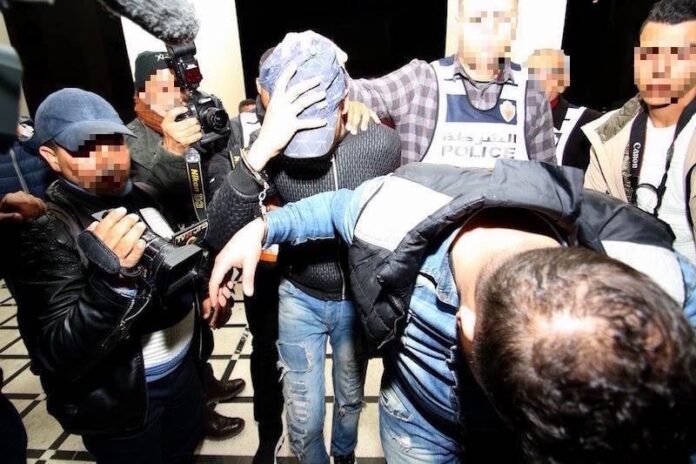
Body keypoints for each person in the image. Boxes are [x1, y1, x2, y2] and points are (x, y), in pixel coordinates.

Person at [210, 159, 696, 463]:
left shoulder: (661, 278)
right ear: (465, 326)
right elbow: (338, 207)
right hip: (420, 425)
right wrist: (264, 228)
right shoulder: (391, 213)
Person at [206, 33, 402, 464]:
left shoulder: (381, 144)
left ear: (343, 102)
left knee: (350, 401)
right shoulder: (271, 148)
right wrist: (261, 152)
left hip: (354, 301)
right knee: (303, 416)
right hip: (298, 297)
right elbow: (221, 234)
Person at [9, 88, 209, 463]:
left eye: (115, 143)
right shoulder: (47, 230)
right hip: (127, 403)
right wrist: (111, 281)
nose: (108, 159)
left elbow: (174, 263)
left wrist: (202, 291)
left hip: (184, 373)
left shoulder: (144, 194)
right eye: (86, 148)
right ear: (51, 157)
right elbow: (56, 352)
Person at [128, 50, 245, 438]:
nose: (175, 95)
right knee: (178, 335)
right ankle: (198, 410)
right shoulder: (129, 142)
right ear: (141, 95)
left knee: (201, 330)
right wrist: (171, 150)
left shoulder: (194, 125)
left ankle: (204, 379)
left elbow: (210, 185)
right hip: (162, 262)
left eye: (178, 87)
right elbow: (141, 199)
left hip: (197, 247)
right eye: (163, 88)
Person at [345, 0, 555, 167]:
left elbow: (547, 189)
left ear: (515, 24)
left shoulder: (531, 92)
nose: (489, 32)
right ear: (459, 21)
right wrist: (326, 56)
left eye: (501, 19)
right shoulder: (421, 82)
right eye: (478, 19)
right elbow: (354, 92)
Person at [584, 0, 696, 264]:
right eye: (648, 54)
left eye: (676, 56)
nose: (657, 68)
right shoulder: (608, 135)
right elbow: (590, 228)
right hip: (626, 275)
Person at [526, 48, 602, 170]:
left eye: (549, 74)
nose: (538, 82)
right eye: (533, 73)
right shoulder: (514, 115)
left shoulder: (589, 121)